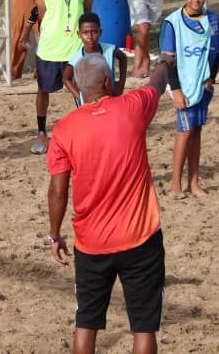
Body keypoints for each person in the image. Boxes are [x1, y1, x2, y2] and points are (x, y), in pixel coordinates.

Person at [47, 53, 174, 354]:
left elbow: (58, 191)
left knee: (86, 323)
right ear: (109, 81)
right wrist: (164, 64)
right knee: (143, 327)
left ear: (77, 85)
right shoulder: (132, 107)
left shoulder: (64, 129)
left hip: (92, 243)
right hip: (140, 236)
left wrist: (55, 234)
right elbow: (156, 84)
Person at [160, 0, 219, 198]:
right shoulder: (172, 22)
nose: (196, 0)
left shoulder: (212, 19)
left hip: (203, 86)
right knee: (184, 132)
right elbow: (168, 60)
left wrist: (211, 77)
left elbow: (217, 52)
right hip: (183, 87)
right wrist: (175, 90)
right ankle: (175, 184)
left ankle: (193, 182)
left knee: (196, 132)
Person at [31, 0, 93, 154]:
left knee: (81, 90)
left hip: (75, 49)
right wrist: (40, 40)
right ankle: (41, 132)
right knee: (43, 90)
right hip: (50, 48)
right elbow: (41, 16)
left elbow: (86, 14)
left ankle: (85, 131)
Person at [63, 12, 127, 106]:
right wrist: (79, 97)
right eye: (85, 32)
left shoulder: (110, 50)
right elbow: (65, 78)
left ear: (100, 32)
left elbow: (123, 58)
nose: (90, 37)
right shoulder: (76, 59)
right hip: (87, 107)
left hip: (110, 101)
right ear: (79, 34)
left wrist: (121, 84)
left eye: (94, 32)